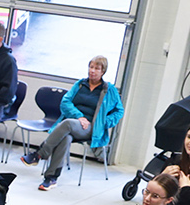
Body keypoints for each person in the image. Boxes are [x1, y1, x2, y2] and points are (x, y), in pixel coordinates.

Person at [23, 56, 123, 191]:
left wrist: (103, 122)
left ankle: (40, 154)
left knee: (67, 123)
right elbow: (65, 102)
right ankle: (51, 178)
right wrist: (79, 116)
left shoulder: (108, 89)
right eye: (91, 67)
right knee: (65, 137)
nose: (92, 71)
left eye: (96, 68)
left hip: (91, 127)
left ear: (103, 72)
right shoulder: (80, 84)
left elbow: (119, 111)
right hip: (75, 124)